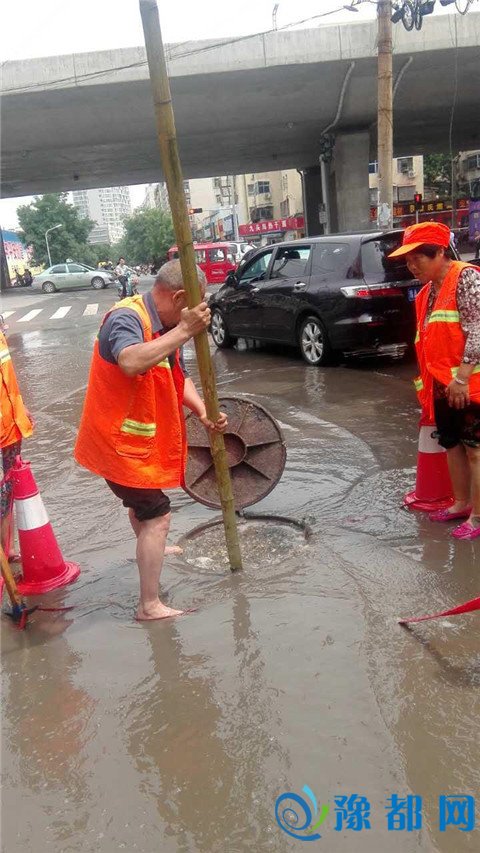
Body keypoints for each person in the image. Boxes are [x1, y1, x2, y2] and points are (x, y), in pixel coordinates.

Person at [74, 260, 227, 620]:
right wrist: (185, 331)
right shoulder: (126, 319)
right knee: (158, 515)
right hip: (116, 446)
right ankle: (149, 605)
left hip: (134, 446)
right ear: (179, 298)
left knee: (143, 507)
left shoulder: (167, 327)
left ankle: (151, 546)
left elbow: (177, 376)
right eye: (195, 304)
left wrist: (203, 411)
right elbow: (130, 361)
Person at [389, 221, 480, 540]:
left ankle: (478, 517)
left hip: (469, 384)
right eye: (408, 261)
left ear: (440, 252)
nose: (412, 266)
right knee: (452, 445)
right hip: (441, 385)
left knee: (475, 451)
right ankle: (461, 504)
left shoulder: (466, 278)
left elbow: (477, 330)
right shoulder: (427, 292)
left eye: (418, 258)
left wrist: (462, 378)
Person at [0, 314, 34, 558]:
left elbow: (8, 380)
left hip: (10, 427)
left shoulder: (1, 338)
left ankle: (7, 547)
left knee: (8, 488)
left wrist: (21, 408)